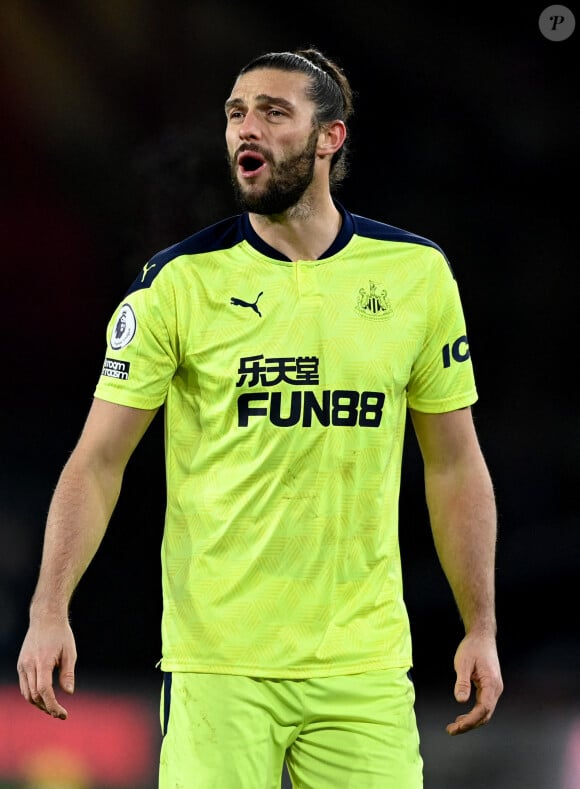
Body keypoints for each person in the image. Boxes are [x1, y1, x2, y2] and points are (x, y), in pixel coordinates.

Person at [17, 47, 503, 788]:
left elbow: (454, 461)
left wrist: (482, 625)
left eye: (275, 112)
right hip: (220, 668)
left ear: (330, 137)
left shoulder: (416, 275)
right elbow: (98, 460)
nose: (248, 127)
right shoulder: (179, 284)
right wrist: (49, 607)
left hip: (362, 667)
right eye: (236, 113)